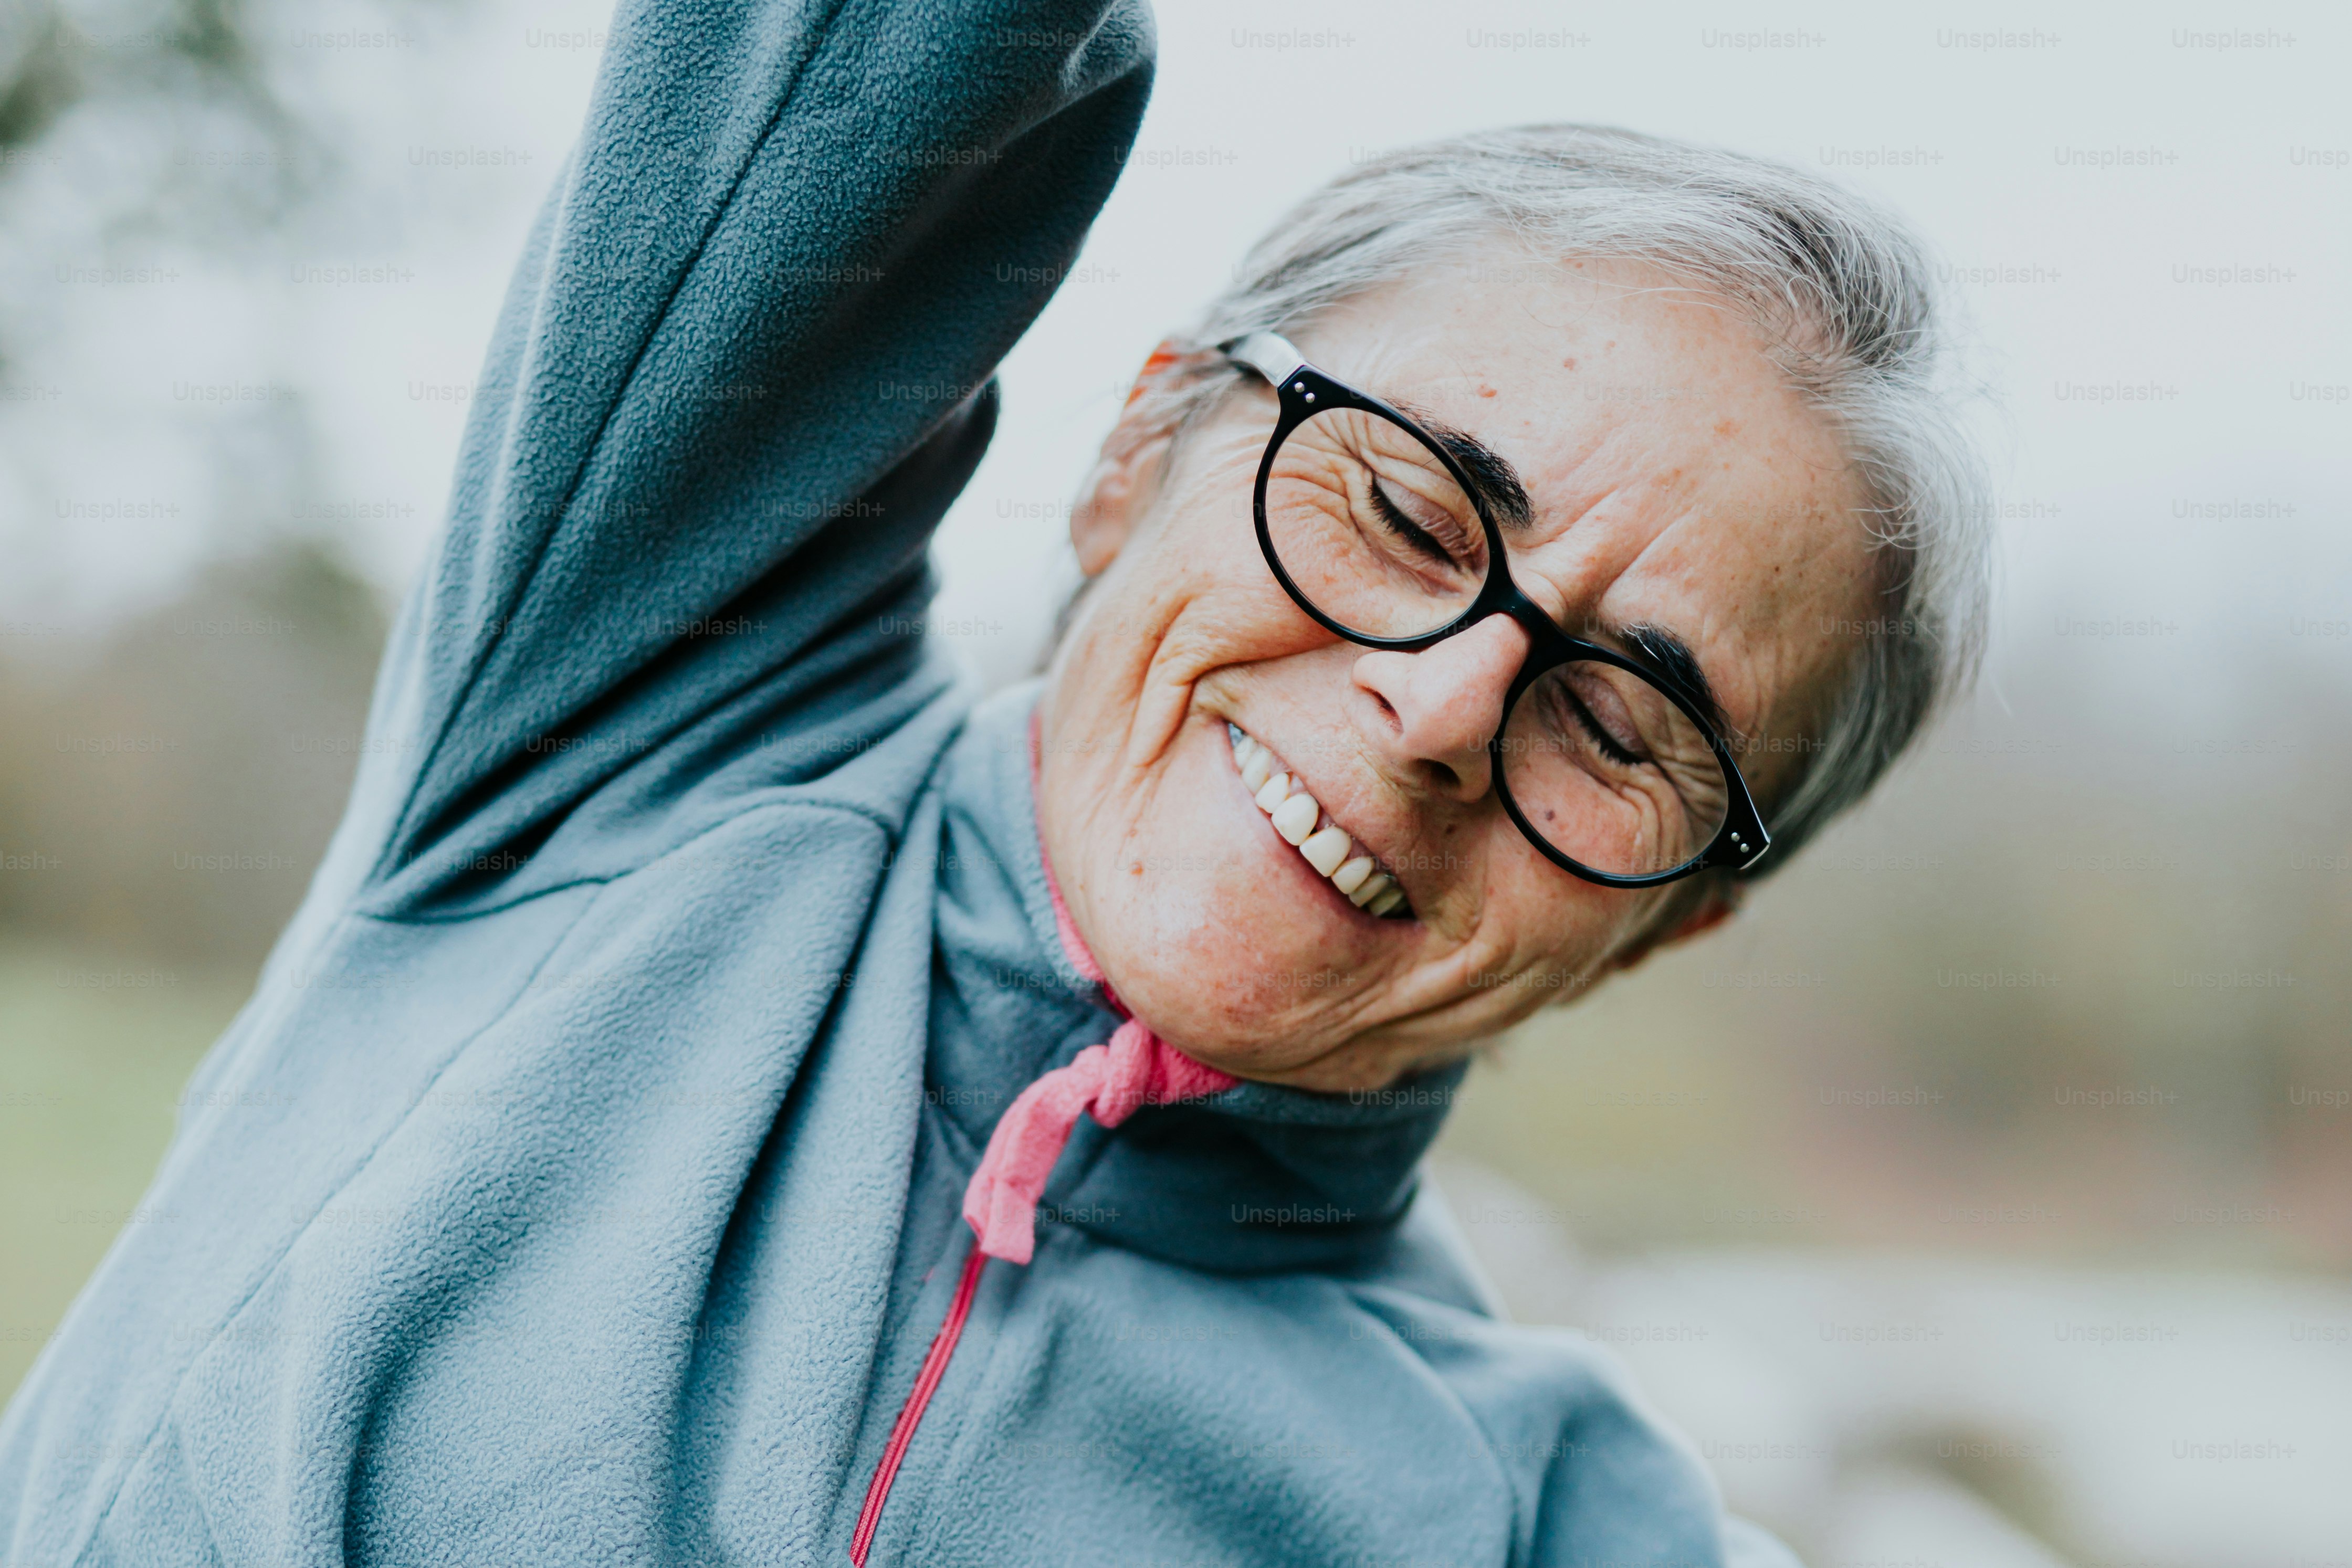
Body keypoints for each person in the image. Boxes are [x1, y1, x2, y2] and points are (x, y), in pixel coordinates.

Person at [0, 1, 1987, 1563]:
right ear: (1142, 451)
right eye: (1404, 505)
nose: (1444, 707)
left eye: (1625, 726)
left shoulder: (1528, 1515)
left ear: (1670, 925)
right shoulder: (638, 721)